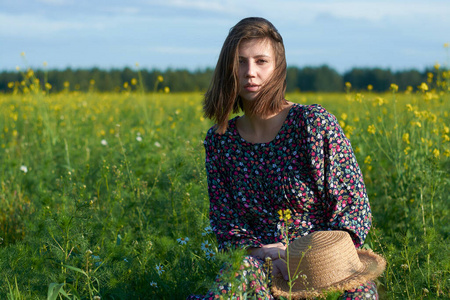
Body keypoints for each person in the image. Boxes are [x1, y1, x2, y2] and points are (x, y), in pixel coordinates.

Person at [187, 17, 378, 299]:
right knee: (237, 282)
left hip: (324, 267)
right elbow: (227, 227)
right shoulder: (220, 141)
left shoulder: (312, 124)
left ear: (278, 68)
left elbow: (353, 208)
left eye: (261, 61)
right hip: (260, 267)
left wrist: (307, 259)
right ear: (228, 69)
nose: (250, 72)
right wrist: (266, 255)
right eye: (240, 62)